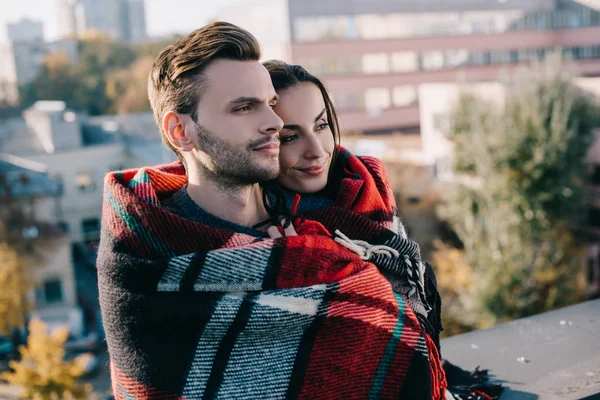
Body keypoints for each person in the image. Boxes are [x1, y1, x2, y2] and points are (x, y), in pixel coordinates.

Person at [97, 21, 446, 399]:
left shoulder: (331, 219)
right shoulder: (144, 254)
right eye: (245, 108)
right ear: (181, 131)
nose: (273, 123)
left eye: (270, 104)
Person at [262, 60, 503, 400]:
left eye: (321, 125)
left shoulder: (367, 185)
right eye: (290, 136)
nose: (316, 150)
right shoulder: (261, 227)